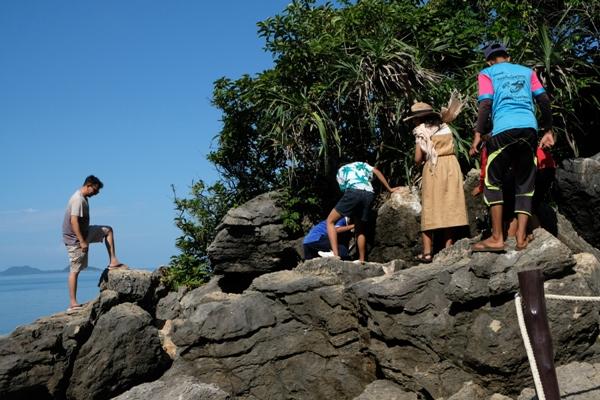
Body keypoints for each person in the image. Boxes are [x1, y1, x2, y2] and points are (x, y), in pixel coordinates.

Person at [470, 42, 555, 252]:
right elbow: (543, 100)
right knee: (525, 183)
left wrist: (478, 134)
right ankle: (520, 238)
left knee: (492, 180)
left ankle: (497, 237)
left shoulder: (487, 73)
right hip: (529, 129)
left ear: (489, 60)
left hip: (504, 130)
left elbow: (486, 104)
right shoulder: (527, 72)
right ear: (507, 57)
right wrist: (548, 130)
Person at [405, 98, 469, 263]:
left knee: (431, 207)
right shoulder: (446, 127)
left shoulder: (421, 130)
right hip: (452, 166)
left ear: (418, 119)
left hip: (434, 167)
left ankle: (427, 252)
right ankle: (448, 248)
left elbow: (418, 158)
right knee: (449, 205)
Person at [62, 175, 127, 311]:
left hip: (85, 233)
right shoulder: (78, 199)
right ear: (89, 185)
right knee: (75, 270)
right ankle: (72, 303)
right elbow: (73, 222)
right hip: (76, 239)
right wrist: (82, 242)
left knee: (108, 230)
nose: (97, 193)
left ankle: (113, 261)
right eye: (96, 190)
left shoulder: (83, 198)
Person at [323, 161, 400, 263]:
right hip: (369, 193)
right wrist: (389, 189)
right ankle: (362, 259)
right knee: (359, 228)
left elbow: (344, 190)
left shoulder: (340, 171)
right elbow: (376, 171)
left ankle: (335, 255)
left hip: (353, 192)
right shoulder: (361, 164)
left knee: (330, 221)